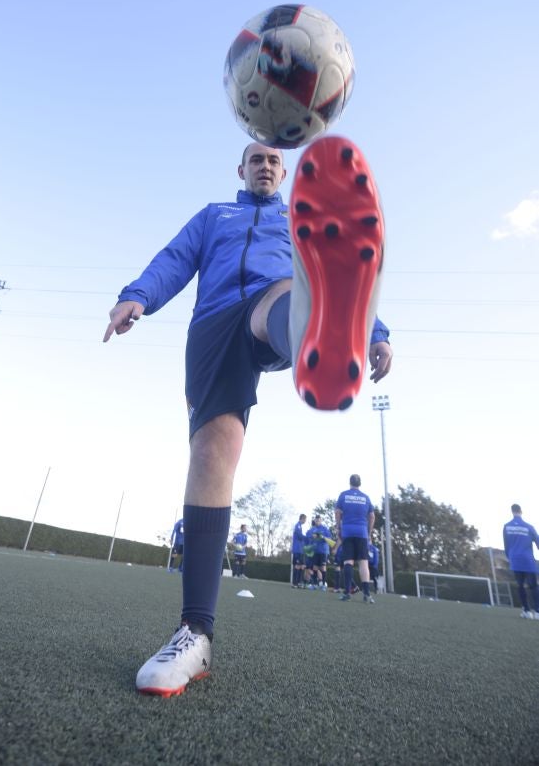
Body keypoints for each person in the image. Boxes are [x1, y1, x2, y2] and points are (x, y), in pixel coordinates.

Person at [104, 137, 392, 696]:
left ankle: (324, 331)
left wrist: (375, 330)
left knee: (291, 289)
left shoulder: (296, 219)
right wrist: (137, 295)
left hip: (271, 301)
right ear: (241, 168)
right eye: (256, 159)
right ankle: (195, 635)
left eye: (273, 161)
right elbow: (175, 259)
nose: (265, 166)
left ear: (284, 173)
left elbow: (343, 256)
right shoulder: (215, 216)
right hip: (211, 325)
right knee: (212, 455)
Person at [335, 474, 375, 603]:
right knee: (363, 563)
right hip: (362, 532)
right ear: (360, 484)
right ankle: (367, 595)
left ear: (350, 483)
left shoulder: (343, 495)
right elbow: (372, 516)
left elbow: (337, 512)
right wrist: (369, 533)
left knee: (348, 562)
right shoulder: (366, 497)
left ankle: (347, 593)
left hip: (347, 531)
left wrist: (338, 528)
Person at [502, 504, 539, 618]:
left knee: (520, 586)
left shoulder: (507, 527)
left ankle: (526, 611)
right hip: (528, 561)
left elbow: (506, 546)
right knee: (533, 586)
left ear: (512, 511)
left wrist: (510, 557)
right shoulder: (528, 527)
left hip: (515, 560)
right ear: (521, 511)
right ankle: (537, 612)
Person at [311, 514, 333, 590]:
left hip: (323, 551)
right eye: (316, 520)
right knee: (315, 568)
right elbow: (311, 538)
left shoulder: (325, 529)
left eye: (319, 520)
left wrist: (322, 537)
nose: (317, 522)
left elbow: (329, 539)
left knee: (323, 568)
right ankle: (314, 584)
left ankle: (323, 584)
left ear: (321, 521)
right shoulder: (313, 529)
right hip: (316, 551)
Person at [291, 513, 307, 588]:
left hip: (301, 550)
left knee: (302, 566)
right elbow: (300, 536)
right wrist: (307, 537)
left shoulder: (300, 526)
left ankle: (299, 582)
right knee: (297, 565)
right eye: (305, 519)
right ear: (302, 519)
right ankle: (294, 583)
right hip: (297, 549)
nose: (305, 521)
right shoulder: (297, 525)